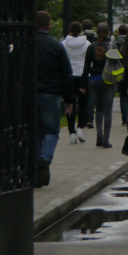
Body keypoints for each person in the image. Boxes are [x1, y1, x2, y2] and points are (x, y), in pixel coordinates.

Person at [34, 10, 74, 188]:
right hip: (51, 94)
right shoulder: (56, 46)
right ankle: (45, 157)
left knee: (34, 132)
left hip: (30, 95)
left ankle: (35, 168)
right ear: (49, 25)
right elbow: (66, 74)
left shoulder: (25, 45)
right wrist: (69, 99)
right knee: (51, 131)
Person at [83, 22, 116, 148]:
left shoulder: (91, 47)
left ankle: (99, 136)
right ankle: (106, 140)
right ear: (108, 32)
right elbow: (117, 63)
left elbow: (86, 67)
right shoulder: (112, 47)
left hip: (95, 80)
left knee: (99, 110)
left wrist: (84, 83)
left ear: (97, 32)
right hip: (108, 81)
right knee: (108, 112)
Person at [61, 20, 90, 143]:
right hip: (83, 75)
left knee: (70, 103)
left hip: (69, 76)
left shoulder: (64, 43)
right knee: (83, 103)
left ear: (70, 30)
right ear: (81, 30)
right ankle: (80, 127)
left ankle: (71, 132)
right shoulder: (87, 43)